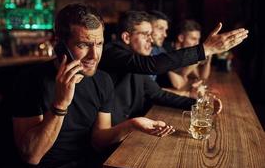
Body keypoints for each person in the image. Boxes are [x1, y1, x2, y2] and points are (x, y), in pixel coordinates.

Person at [11, 4, 173, 168]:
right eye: (83, 45)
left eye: (99, 44)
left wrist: (132, 125)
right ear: (59, 45)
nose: (94, 56)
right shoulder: (29, 80)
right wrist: (60, 105)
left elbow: (98, 141)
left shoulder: (102, 80)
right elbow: (31, 155)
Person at [100, 10, 247, 124]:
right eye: (146, 34)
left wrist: (200, 104)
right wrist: (205, 49)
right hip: (109, 139)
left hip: (128, 132)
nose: (151, 39)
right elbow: (152, 65)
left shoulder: (136, 61)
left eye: (151, 34)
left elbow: (159, 94)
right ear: (126, 37)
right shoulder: (112, 52)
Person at [159, 20, 212, 97]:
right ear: (181, 38)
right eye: (193, 39)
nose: (197, 43)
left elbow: (201, 77)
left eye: (198, 39)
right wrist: (196, 58)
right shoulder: (167, 52)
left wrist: (209, 58)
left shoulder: (186, 53)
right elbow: (179, 85)